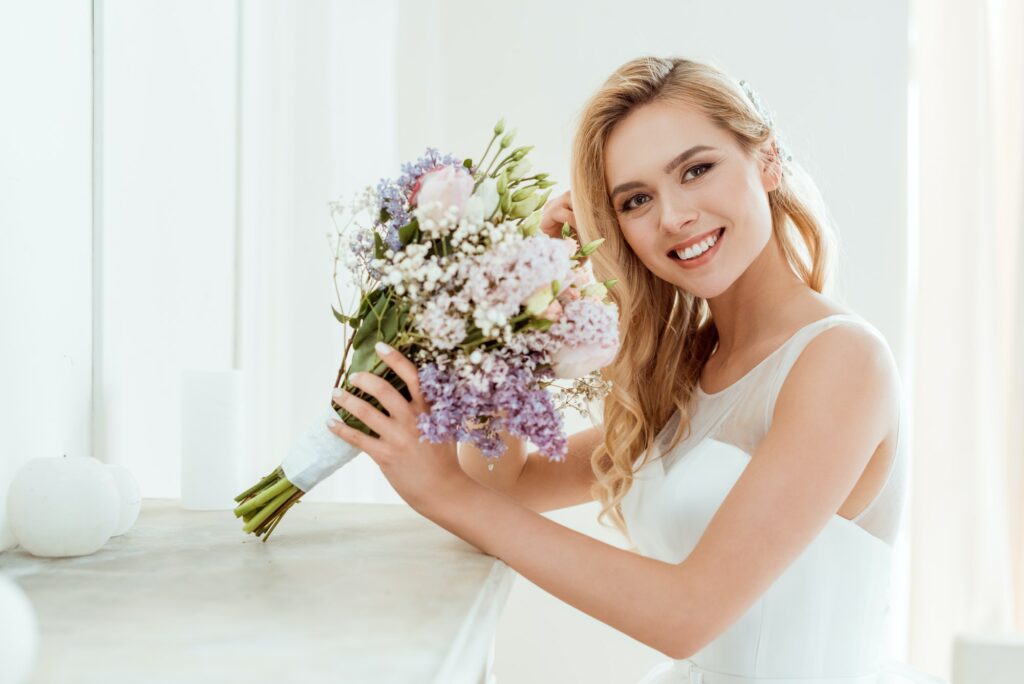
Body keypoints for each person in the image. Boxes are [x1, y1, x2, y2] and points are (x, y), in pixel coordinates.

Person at [326, 55, 948, 683]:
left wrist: (440, 491)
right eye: (637, 200)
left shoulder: (840, 362)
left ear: (767, 161)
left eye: (697, 170)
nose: (674, 217)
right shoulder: (691, 371)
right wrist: (519, 313)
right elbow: (506, 486)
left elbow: (688, 612)